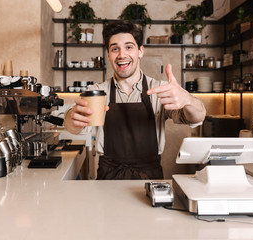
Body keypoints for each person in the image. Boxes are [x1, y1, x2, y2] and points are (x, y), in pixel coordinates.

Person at [64, 21, 206, 180]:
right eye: (115, 49)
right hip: (108, 179)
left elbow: (198, 117)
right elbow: (73, 126)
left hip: (149, 178)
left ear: (140, 51)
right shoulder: (97, 93)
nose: (122, 55)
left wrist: (188, 99)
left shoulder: (159, 90)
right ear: (109, 55)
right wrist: (72, 118)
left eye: (129, 47)